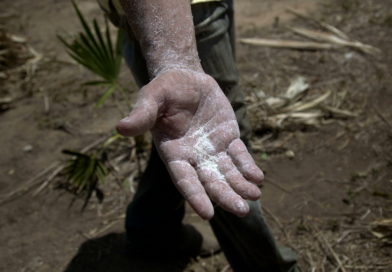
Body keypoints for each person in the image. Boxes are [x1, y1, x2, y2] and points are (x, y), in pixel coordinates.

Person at [98, 0, 301, 271]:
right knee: (217, 148)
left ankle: (151, 231)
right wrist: (177, 63)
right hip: (174, 14)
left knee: (178, 132)